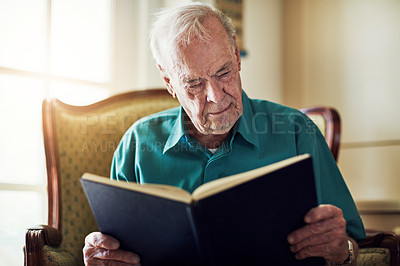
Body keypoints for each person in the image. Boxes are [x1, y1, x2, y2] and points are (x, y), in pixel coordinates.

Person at [83, 2, 365, 265]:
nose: (216, 97)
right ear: (169, 81)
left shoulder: (297, 131)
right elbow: (115, 249)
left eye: (223, 72)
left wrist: (343, 251)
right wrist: (104, 255)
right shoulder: (137, 143)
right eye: (193, 83)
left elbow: (354, 244)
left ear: (235, 54)